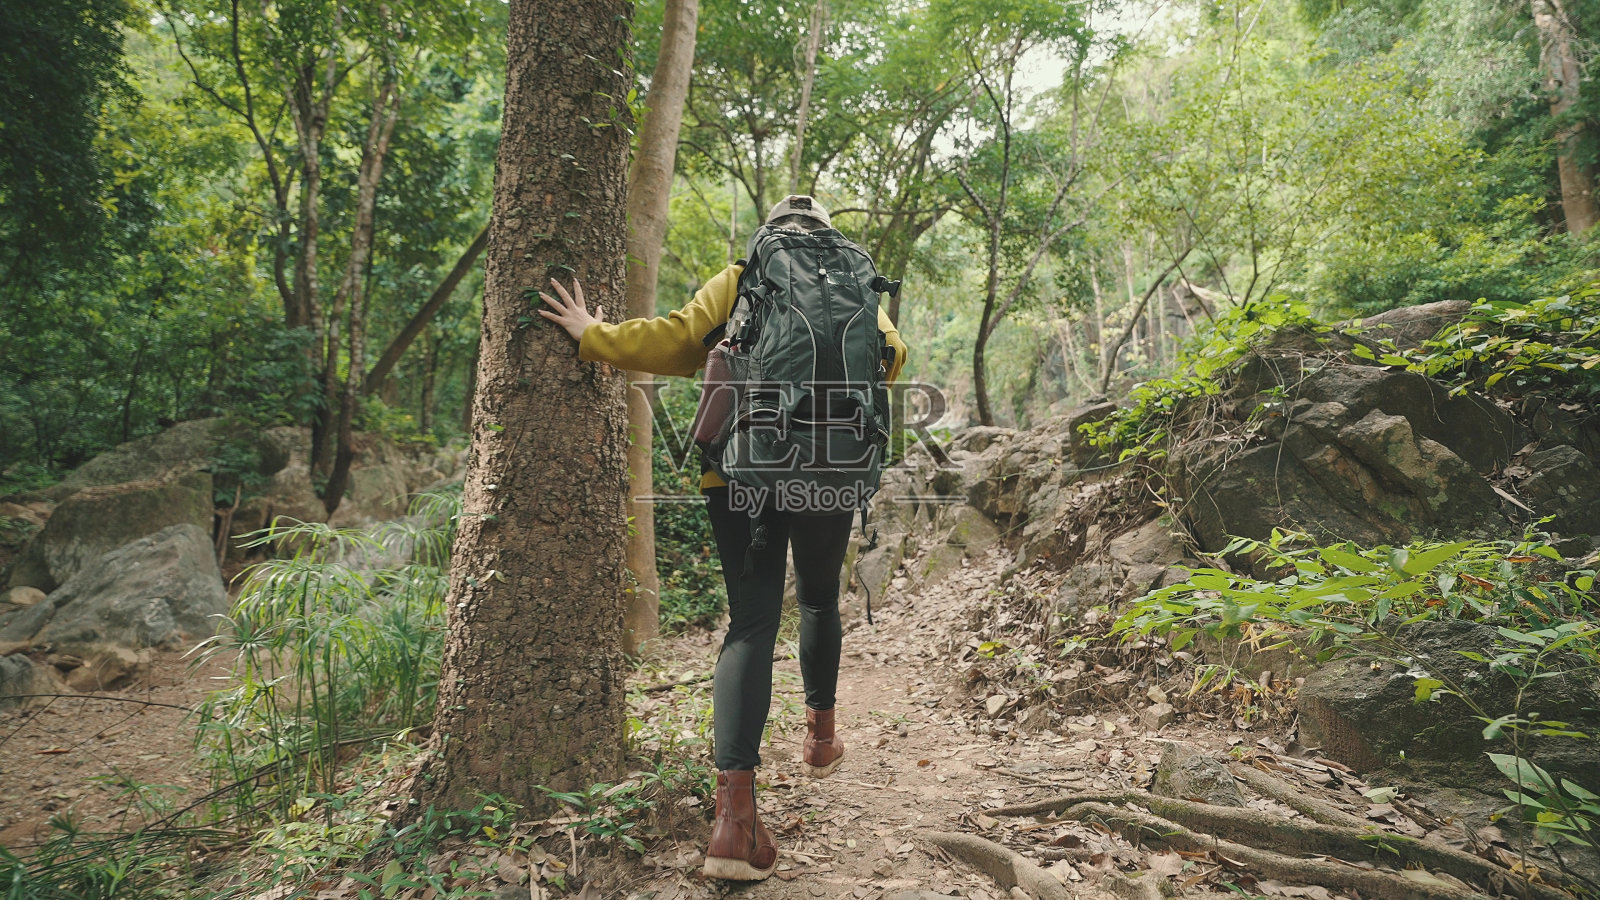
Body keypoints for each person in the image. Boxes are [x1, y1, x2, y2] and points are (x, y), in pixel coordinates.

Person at [538, 195, 908, 881]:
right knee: (821, 599)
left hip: (744, 475)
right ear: (826, 237)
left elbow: (677, 340)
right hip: (832, 467)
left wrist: (594, 333)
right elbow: (890, 356)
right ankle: (822, 739)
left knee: (752, 625)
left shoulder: (741, 279)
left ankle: (734, 824)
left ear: (767, 232)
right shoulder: (855, 280)